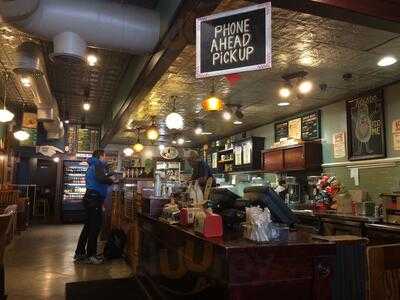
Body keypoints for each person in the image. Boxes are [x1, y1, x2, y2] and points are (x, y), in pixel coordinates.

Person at [75, 150, 114, 264]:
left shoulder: (92, 165)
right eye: (105, 156)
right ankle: (91, 255)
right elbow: (101, 179)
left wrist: (107, 175)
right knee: (95, 227)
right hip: (94, 199)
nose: (105, 158)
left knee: (88, 227)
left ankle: (80, 253)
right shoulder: (97, 164)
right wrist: (111, 180)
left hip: (90, 197)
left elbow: (99, 177)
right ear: (101, 156)